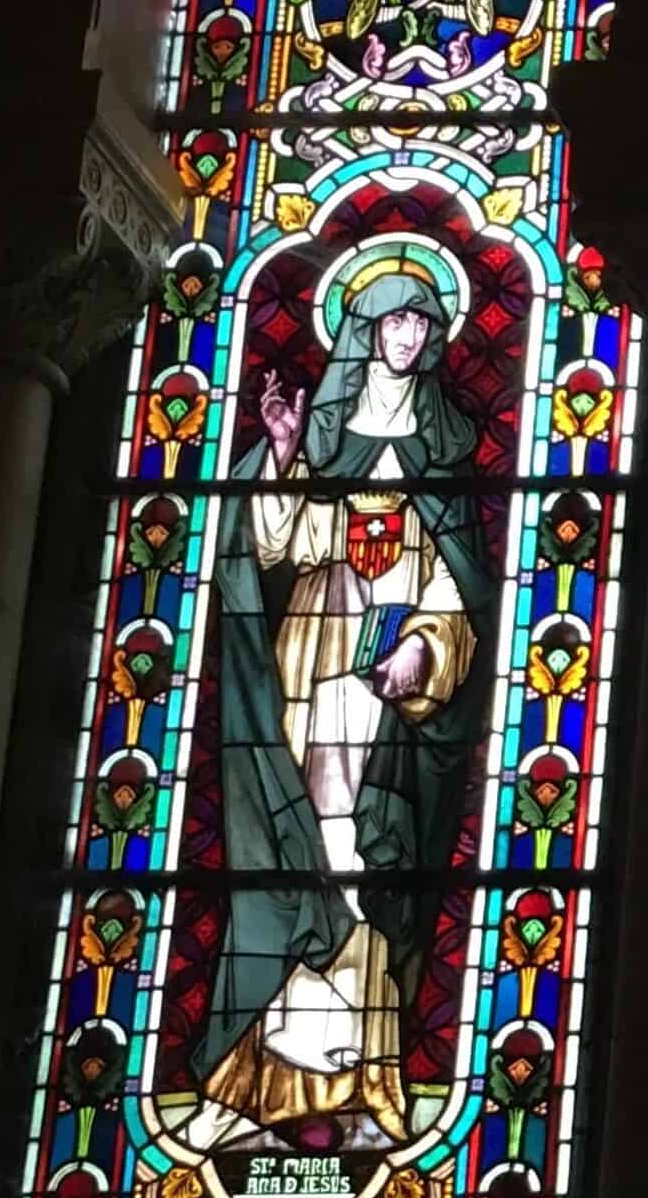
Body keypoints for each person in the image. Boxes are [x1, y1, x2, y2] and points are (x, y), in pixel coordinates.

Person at [182, 260, 493, 1152]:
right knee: (303, 851)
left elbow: (457, 590)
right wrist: (281, 451)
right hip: (312, 667)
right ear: (363, 332)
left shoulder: (447, 450)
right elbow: (277, 543)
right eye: (393, 322)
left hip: (385, 699)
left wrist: (423, 648)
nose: (409, 337)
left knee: (365, 866)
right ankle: (260, 1085)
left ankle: (362, 1082)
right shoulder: (322, 439)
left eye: (422, 325)